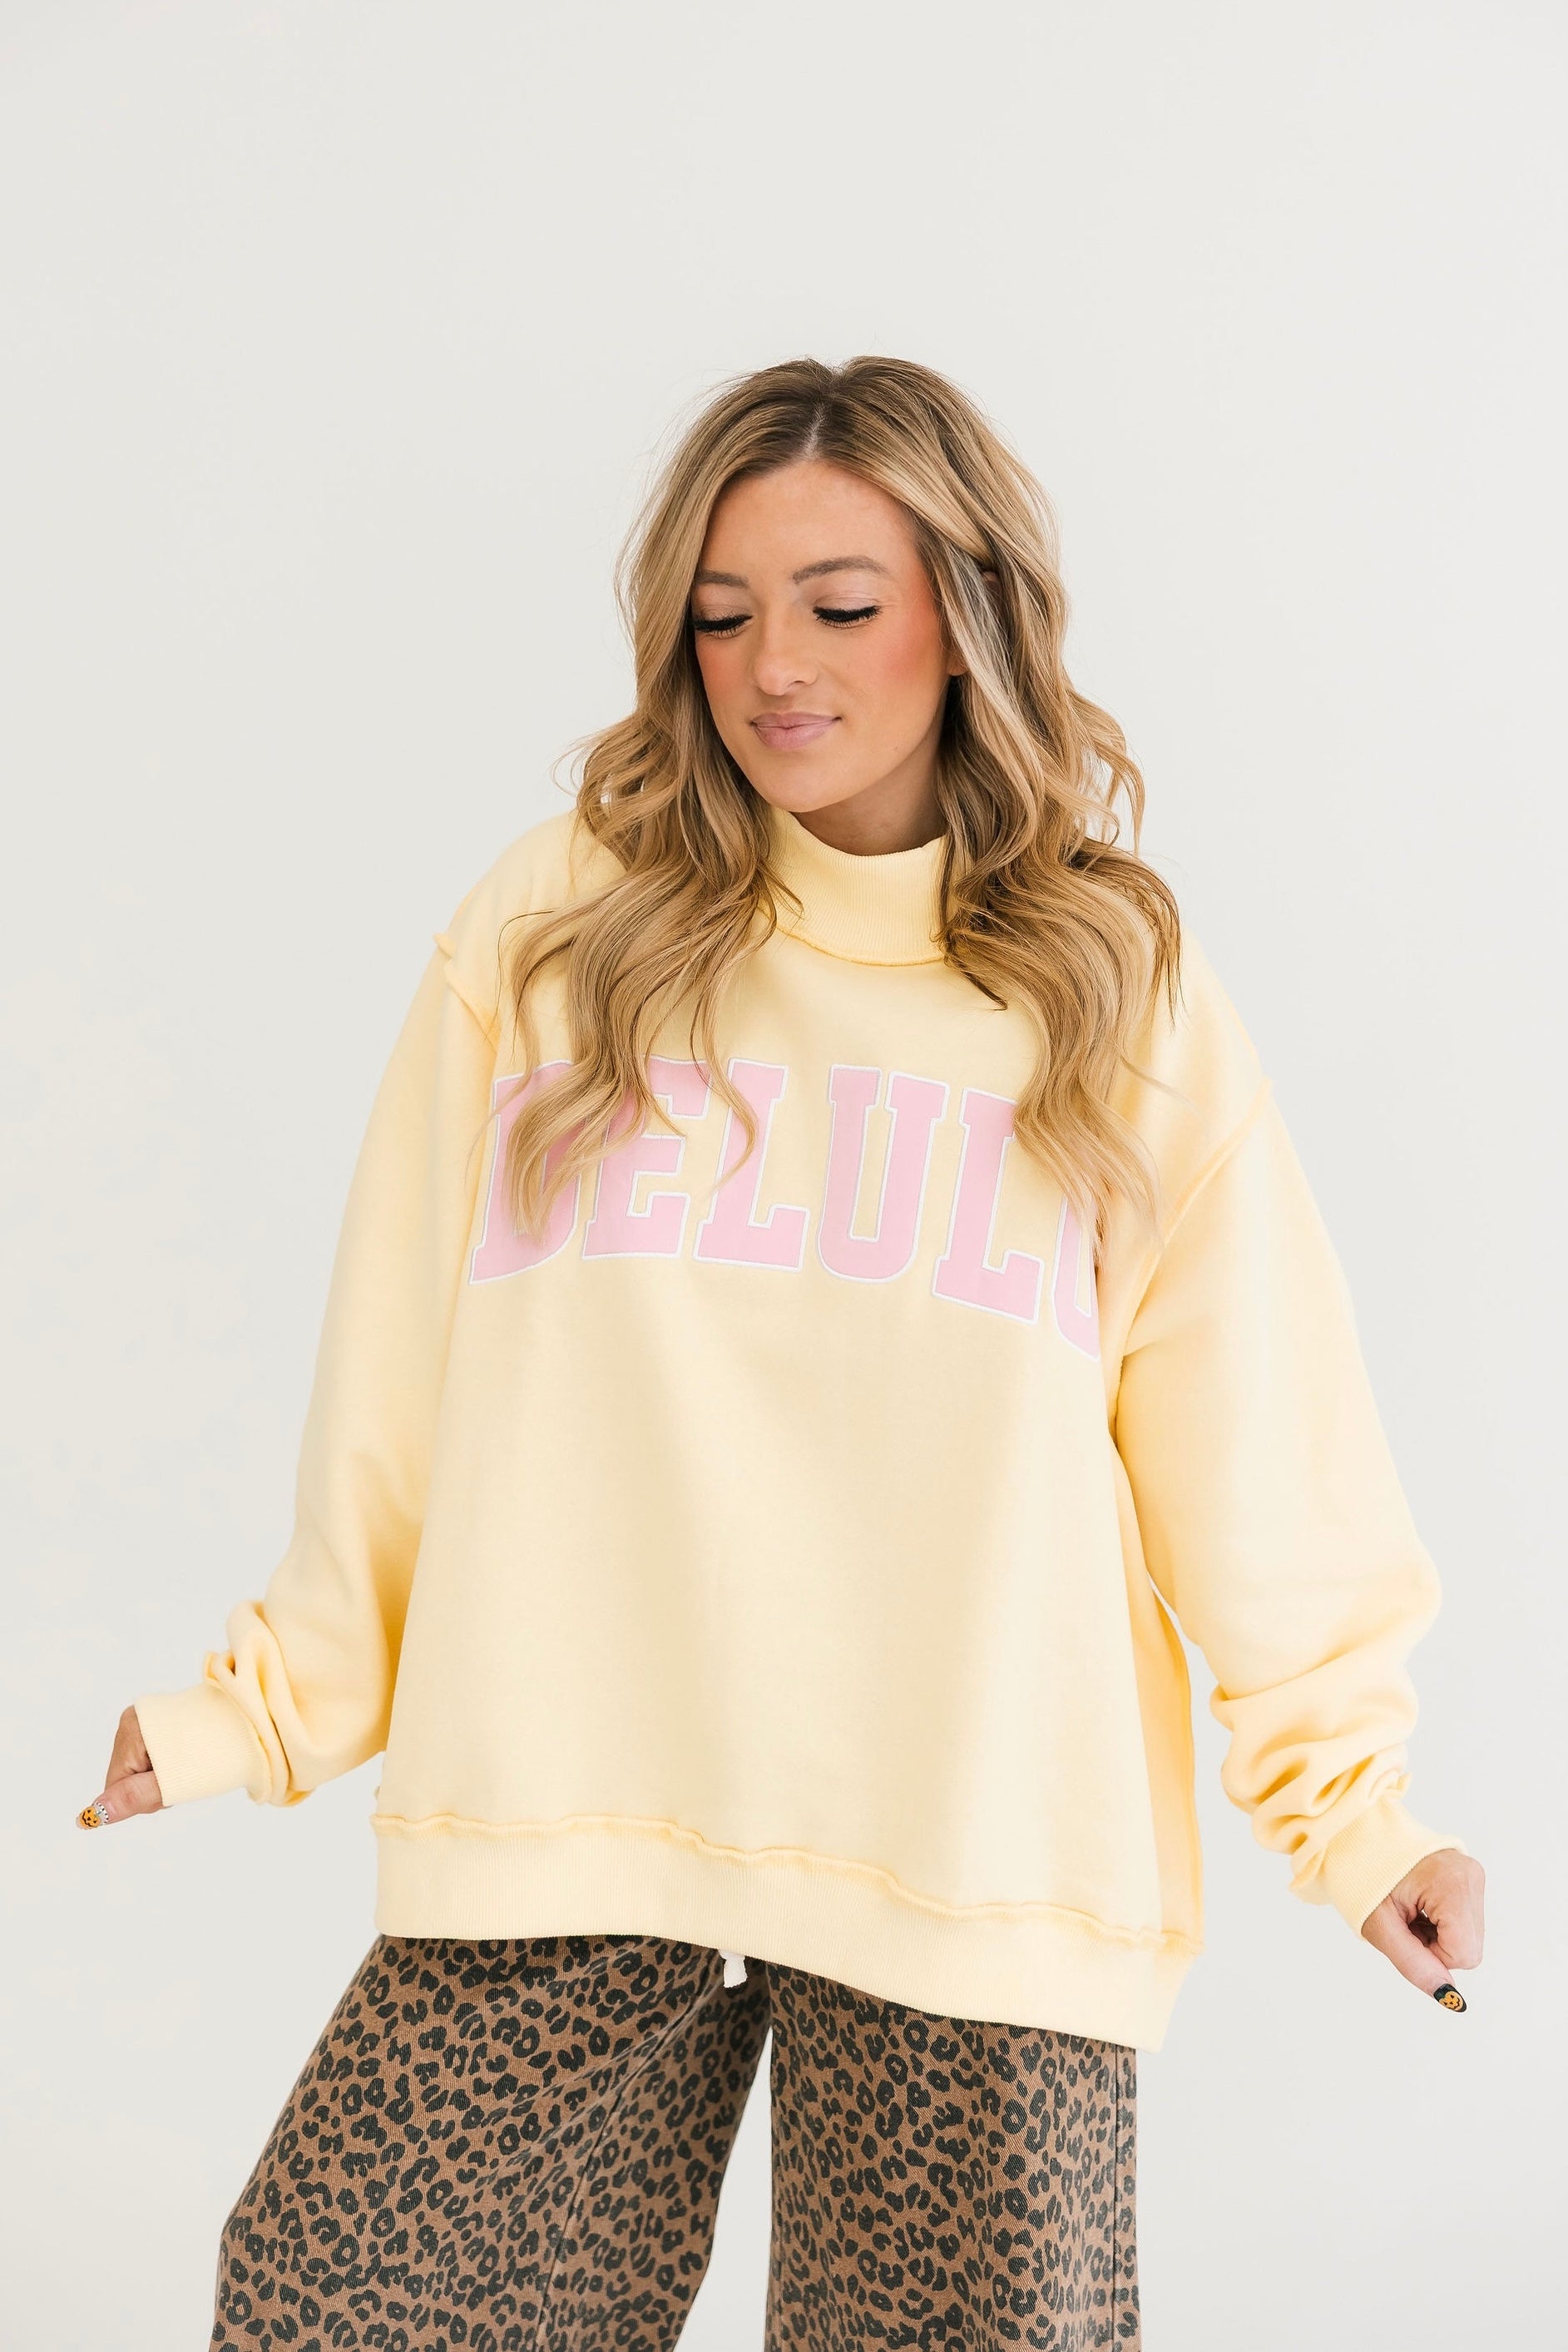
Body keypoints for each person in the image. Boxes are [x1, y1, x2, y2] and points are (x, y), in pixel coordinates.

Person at [79, 354, 1485, 2352]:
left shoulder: (1111, 989)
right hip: (578, 1795)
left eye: (838, 603)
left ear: (965, 617)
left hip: (974, 1846)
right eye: (722, 615)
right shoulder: (563, 931)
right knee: (341, 2305)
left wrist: (1355, 1818)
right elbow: (398, 1370)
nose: (772, 668)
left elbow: (1254, 1443)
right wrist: (268, 1705)